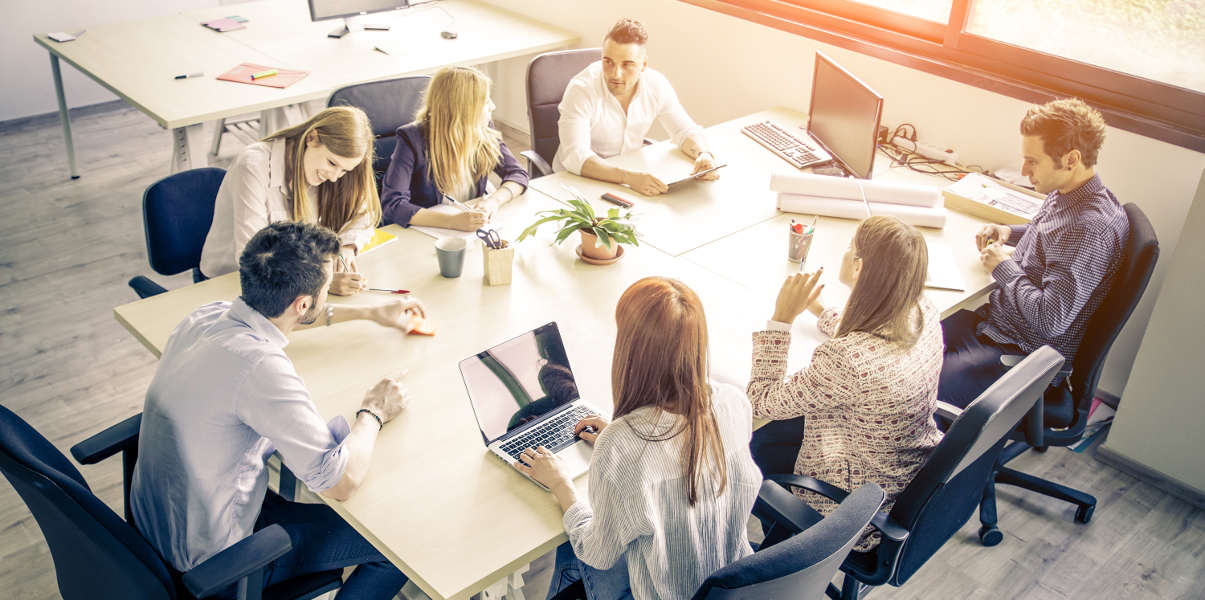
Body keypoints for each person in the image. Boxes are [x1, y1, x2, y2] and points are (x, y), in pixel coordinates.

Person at [132, 222, 426, 600]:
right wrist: (373, 412)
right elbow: (341, 482)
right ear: (303, 303)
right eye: (324, 289)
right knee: (401, 545)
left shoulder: (205, 317)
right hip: (216, 561)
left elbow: (287, 317)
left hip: (159, 525)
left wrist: (370, 313)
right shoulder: (260, 368)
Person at [516, 277, 762, 600]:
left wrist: (561, 483)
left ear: (631, 352)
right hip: (733, 586)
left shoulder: (621, 446)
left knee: (568, 543)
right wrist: (628, 434)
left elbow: (597, 553)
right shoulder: (734, 403)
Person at [747, 216, 943, 549]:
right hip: (903, 476)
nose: (845, 251)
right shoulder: (922, 311)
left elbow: (760, 399)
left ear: (858, 266)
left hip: (851, 505)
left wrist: (781, 319)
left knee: (745, 440)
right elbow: (874, 341)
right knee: (777, 429)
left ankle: (786, 552)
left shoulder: (846, 360)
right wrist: (820, 310)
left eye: (850, 246)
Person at [939, 98, 1129, 408]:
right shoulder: (1071, 193)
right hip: (996, 327)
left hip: (1021, 355)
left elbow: (1050, 318)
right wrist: (1008, 231)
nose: (1025, 170)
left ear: (1071, 159)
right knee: (897, 343)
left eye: (1033, 161)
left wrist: (1003, 267)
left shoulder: (1090, 229)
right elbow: (1053, 234)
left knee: (913, 388)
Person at [200, 106, 381, 296]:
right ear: (312, 138)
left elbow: (364, 215)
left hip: (291, 279)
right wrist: (322, 282)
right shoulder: (253, 165)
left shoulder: (329, 173)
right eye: (332, 163)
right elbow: (253, 259)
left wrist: (347, 246)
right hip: (229, 282)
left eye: (344, 170)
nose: (335, 177)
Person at [553, 18, 720, 196]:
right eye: (608, 62)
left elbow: (685, 131)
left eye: (627, 64)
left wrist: (704, 154)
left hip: (629, 180)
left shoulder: (656, 84)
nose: (616, 74)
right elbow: (575, 156)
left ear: (643, 65)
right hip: (576, 183)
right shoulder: (581, 89)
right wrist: (629, 178)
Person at [380, 66, 529, 231]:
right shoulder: (412, 139)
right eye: (486, 101)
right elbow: (393, 205)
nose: (493, 106)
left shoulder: (483, 129)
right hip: (430, 230)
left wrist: (493, 202)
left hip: (470, 227)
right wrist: (452, 221)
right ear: (463, 109)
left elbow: (518, 174)